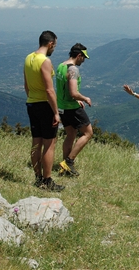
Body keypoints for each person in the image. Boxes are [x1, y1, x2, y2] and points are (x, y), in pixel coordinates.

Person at [23, 30, 64, 191]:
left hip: (31, 103)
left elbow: (26, 85)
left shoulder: (28, 58)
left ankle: (37, 177)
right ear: (50, 44)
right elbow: (49, 90)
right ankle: (47, 181)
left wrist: (32, 98)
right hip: (44, 105)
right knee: (49, 144)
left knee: (36, 143)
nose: (54, 48)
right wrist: (55, 112)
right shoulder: (45, 61)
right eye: (54, 45)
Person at [56, 43, 93, 177]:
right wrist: (84, 98)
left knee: (70, 135)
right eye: (83, 57)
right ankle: (69, 162)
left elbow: (64, 89)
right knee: (88, 133)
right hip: (72, 108)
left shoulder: (61, 66)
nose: (83, 60)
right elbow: (73, 92)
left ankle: (64, 168)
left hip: (62, 107)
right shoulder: (73, 70)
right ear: (79, 55)